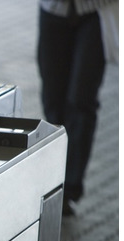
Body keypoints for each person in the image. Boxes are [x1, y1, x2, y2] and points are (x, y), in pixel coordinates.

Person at [37, 0, 116, 216]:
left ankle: (69, 188)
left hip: (95, 11)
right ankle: (52, 181)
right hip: (52, 9)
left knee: (81, 101)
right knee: (53, 99)